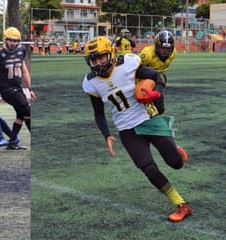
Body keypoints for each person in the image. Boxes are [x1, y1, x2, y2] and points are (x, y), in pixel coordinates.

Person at [81, 36, 191, 222]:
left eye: (102, 57)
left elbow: (159, 76)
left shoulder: (129, 63)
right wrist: (107, 135)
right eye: (94, 60)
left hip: (148, 118)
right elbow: (98, 114)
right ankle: (181, 204)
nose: (98, 63)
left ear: (111, 53)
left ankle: (175, 150)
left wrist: (156, 93)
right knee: (148, 168)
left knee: (175, 163)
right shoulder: (91, 82)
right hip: (127, 130)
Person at [0, 27, 36, 150]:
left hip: (17, 88)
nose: (13, 43)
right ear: (5, 40)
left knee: (21, 114)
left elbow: (24, 71)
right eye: (10, 40)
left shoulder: (21, 51)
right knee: (27, 111)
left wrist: (30, 88)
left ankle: (12, 142)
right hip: (6, 90)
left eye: (16, 41)